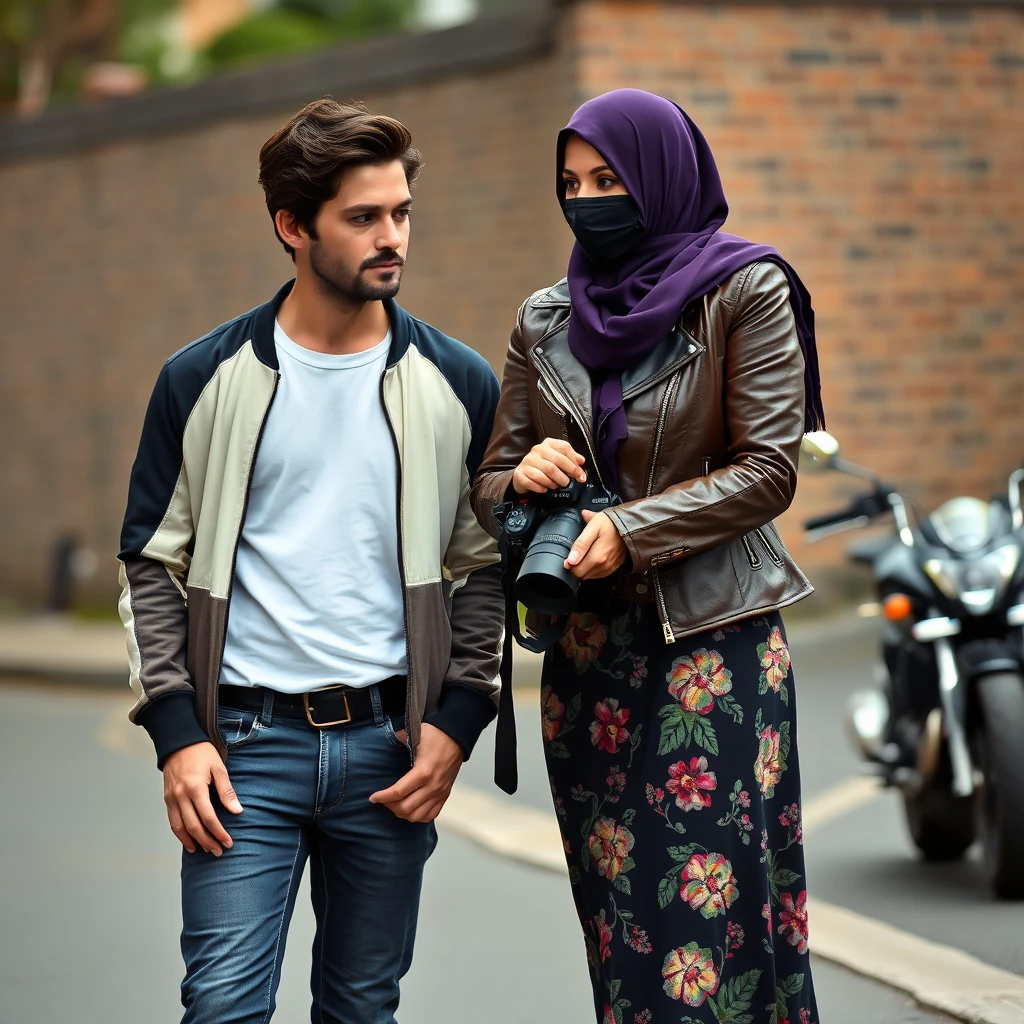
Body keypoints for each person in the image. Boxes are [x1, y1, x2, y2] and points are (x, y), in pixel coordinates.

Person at [117, 99, 504, 1024]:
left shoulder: (458, 384)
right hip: (242, 754)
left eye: (401, 212)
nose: (392, 237)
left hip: (390, 748)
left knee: (363, 1010)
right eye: (363, 217)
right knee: (221, 1009)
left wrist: (457, 721)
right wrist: (178, 734)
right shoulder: (201, 379)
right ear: (293, 227)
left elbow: (482, 567)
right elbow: (151, 561)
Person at [471, 89, 824, 1024]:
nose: (587, 200)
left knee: (708, 931)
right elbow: (490, 478)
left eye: (609, 179)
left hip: (710, 646)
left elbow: (768, 470)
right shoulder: (544, 318)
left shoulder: (745, 290)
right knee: (622, 925)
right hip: (588, 663)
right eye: (571, 184)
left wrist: (631, 528)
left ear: (663, 178)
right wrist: (523, 475)